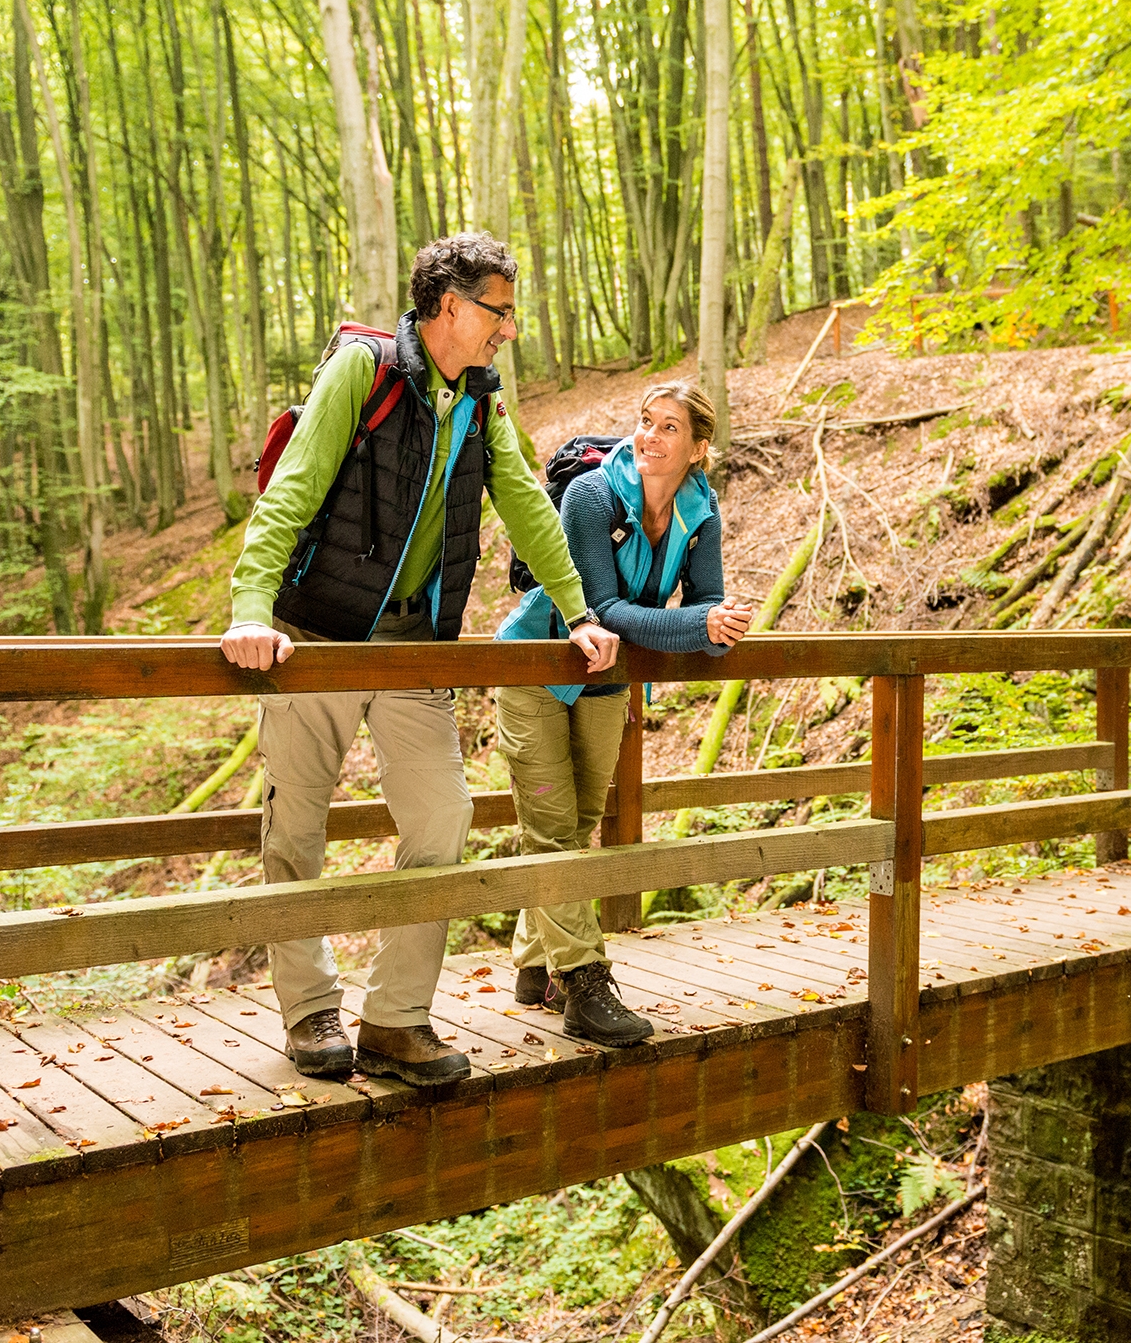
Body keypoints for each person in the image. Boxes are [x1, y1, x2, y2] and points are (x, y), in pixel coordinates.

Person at [219, 233, 620, 1088]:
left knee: (441, 821)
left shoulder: (481, 400)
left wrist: (580, 611)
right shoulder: (361, 374)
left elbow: (527, 506)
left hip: (414, 642)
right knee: (296, 833)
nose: (510, 330)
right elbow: (290, 493)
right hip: (318, 636)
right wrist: (251, 610)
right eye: (500, 312)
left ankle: (395, 1021)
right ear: (450, 307)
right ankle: (309, 1011)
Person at [493, 384, 756, 1046]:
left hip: (607, 682)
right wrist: (698, 623)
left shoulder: (701, 508)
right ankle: (584, 985)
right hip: (537, 670)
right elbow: (604, 608)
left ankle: (533, 966)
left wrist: (715, 623)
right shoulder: (591, 495)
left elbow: (707, 600)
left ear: (698, 449)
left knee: (576, 824)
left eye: (669, 427)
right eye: (645, 422)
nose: (649, 437)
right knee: (553, 827)